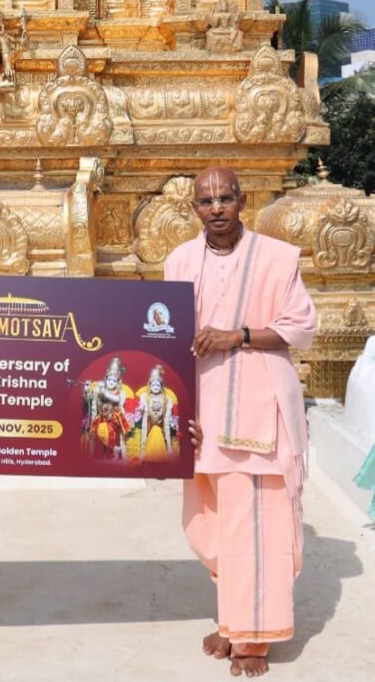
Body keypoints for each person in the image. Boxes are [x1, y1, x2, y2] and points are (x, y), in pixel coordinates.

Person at [164, 167, 316, 678]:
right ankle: (233, 620)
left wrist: (238, 336)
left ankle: (255, 637)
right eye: (206, 201)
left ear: (242, 200)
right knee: (208, 525)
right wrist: (180, 409)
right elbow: (163, 341)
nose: (217, 208)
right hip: (203, 411)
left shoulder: (276, 258)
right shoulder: (179, 262)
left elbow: (301, 326)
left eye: (225, 197)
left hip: (259, 408)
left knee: (257, 525)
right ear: (194, 208)